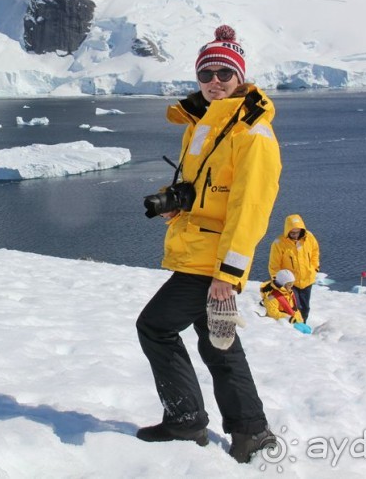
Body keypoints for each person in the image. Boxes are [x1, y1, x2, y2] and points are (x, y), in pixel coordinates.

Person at [135, 25, 281, 464]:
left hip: (213, 263)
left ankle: (186, 420)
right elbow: (205, 188)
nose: (214, 82)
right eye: (206, 74)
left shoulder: (253, 135)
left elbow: (249, 209)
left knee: (155, 327)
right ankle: (251, 432)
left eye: (224, 73)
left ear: (241, 77)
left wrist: (230, 274)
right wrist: (177, 203)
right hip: (198, 249)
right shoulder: (202, 123)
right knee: (217, 343)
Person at [268, 215, 320, 322]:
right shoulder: (279, 244)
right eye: (292, 233)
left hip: (307, 280)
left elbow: (315, 252)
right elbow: (274, 266)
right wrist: (279, 282)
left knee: (305, 308)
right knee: (295, 308)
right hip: (290, 283)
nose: (295, 235)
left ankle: (303, 325)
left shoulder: (309, 237)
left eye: (297, 232)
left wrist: (315, 268)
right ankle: (294, 330)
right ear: (287, 231)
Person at [260, 269, 312, 334]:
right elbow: (272, 313)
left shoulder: (289, 293)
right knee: (305, 333)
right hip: (281, 323)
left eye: (292, 284)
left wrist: (300, 320)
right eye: (289, 284)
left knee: (308, 330)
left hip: (293, 320)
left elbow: (294, 309)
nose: (292, 286)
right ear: (282, 284)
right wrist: (288, 318)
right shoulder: (272, 297)